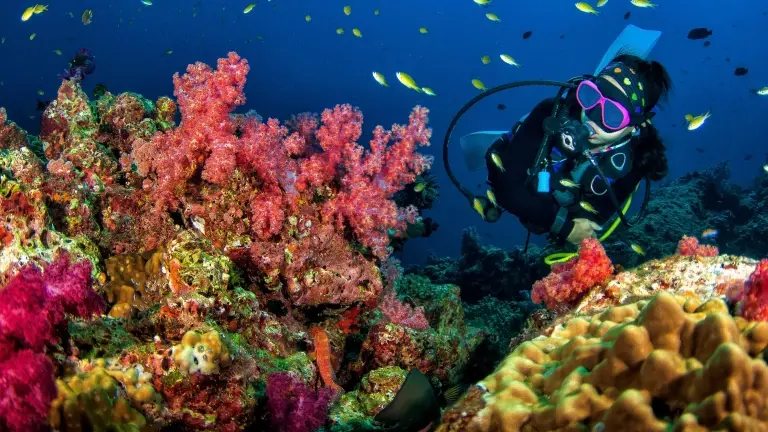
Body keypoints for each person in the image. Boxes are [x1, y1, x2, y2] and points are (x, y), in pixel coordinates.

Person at [481, 53, 672, 246]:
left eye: (613, 114)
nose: (592, 117)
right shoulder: (551, 113)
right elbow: (505, 187)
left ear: (634, 125)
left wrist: (554, 219)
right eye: (590, 97)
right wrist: (565, 227)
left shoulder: (636, 161)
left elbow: (589, 224)